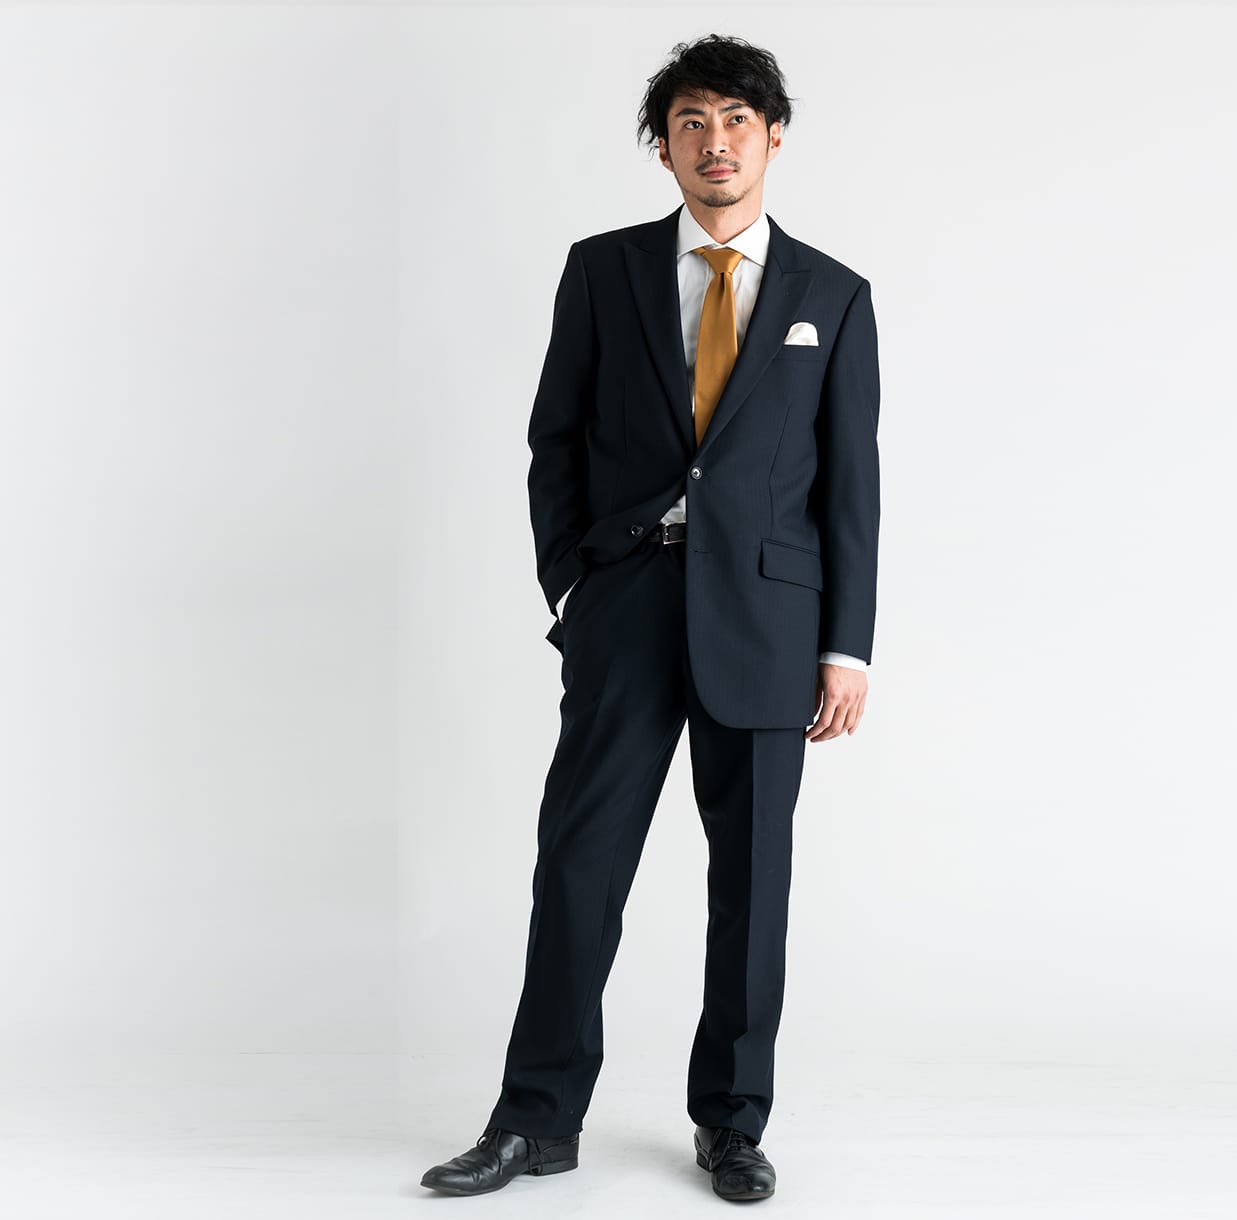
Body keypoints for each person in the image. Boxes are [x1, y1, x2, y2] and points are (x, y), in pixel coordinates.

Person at [419, 33, 881, 1204]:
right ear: (663, 147)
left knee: (752, 883)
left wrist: (845, 646)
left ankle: (731, 1121)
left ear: (771, 138)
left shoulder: (831, 295)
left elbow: (849, 485)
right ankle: (535, 1118)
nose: (713, 141)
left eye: (734, 120)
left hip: (769, 624)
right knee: (578, 863)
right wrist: (571, 587)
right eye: (689, 122)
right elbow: (553, 439)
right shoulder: (602, 270)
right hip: (625, 603)